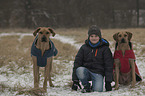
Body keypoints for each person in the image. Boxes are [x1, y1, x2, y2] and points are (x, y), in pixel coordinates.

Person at [71, 25, 113, 93]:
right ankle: (86, 86)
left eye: (96, 36)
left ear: (99, 37)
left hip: (98, 74)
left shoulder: (105, 49)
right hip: (86, 71)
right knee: (79, 70)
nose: (94, 38)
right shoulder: (84, 48)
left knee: (98, 90)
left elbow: (109, 65)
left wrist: (108, 82)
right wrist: (75, 81)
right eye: (92, 36)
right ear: (89, 37)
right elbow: (77, 63)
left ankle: (95, 84)